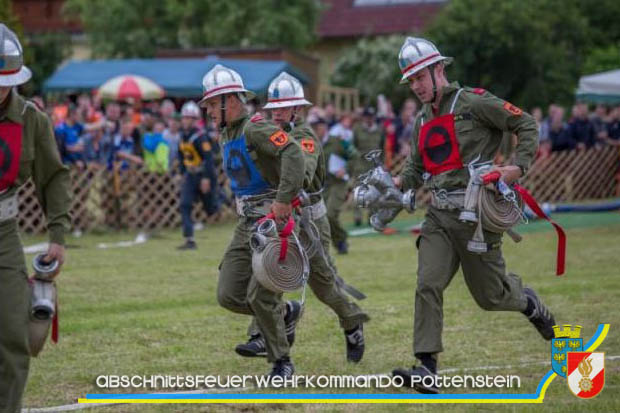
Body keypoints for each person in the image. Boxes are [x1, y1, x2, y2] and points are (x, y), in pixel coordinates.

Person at [390, 37, 556, 394]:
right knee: (427, 283)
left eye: (420, 76)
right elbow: (416, 169)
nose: (416, 86)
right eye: (411, 80)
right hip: (438, 216)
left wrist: (517, 167)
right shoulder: (421, 120)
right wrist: (397, 181)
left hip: (476, 214)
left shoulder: (474, 101)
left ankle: (529, 302)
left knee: (490, 297)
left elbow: (525, 124)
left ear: (439, 69)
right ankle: (427, 366)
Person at [234, 72, 369, 362]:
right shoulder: (271, 134)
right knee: (270, 272)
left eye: (284, 108)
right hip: (283, 216)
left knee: (324, 286)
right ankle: (261, 335)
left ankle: (352, 320)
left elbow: (304, 176)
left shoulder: (304, 138)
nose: (278, 113)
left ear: (297, 109)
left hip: (309, 220)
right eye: (274, 108)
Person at [199, 64, 305, 379]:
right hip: (246, 221)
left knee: (261, 295)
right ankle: (285, 312)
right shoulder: (225, 133)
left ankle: (281, 362)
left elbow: (294, 153)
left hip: (272, 218)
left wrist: (284, 199)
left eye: (209, 104)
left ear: (230, 100)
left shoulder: (254, 128)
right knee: (228, 294)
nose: (205, 110)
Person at [0, 24, 71, 413]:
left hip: (3, 237)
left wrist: (57, 235)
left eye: (6, 81)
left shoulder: (32, 120)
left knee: (14, 335)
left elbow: (54, 177)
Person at [176, 101, 220, 250]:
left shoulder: (201, 137)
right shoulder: (183, 136)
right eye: (184, 118)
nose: (186, 121)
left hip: (203, 174)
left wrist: (207, 178)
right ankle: (189, 239)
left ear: (195, 120)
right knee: (185, 204)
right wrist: (182, 173)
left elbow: (208, 158)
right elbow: (181, 156)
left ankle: (221, 197)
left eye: (189, 118)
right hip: (190, 175)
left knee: (211, 208)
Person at [324, 114, 358, 254]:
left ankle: (340, 240)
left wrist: (345, 169)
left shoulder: (338, 139)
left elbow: (354, 154)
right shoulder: (310, 141)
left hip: (339, 182)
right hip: (323, 183)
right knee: (320, 217)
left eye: (318, 126)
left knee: (331, 214)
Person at [352, 106, 384, 226]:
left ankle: (372, 216)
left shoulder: (380, 130)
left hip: (375, 166)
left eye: (371, 117)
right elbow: (353, 146)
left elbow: (382, 146)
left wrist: (382, 164)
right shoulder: (357, 129)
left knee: (374, 192)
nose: (369, 119)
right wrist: (357, 157)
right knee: (358, 191)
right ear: (363, 118)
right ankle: (357, 217)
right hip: (360, 165)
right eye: (367, 117)